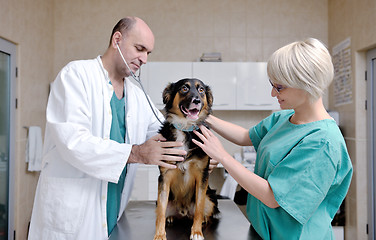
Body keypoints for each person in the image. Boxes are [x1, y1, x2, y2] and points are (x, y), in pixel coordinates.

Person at [28, 17, 188, 240]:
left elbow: (163, 134)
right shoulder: (76, 76)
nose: (144, 59)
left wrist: (193, 155)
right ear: (117, 39)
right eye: (139, 49)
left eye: (148, 53)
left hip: (112, 212)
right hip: (73, 215)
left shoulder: (137, 96)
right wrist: (136, 153)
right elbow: (74, 142)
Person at [193, 38, 353, 239]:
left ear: (305, 84)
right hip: (262, 230)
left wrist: (223, 156)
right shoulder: (284, 117)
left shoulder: (323, 142)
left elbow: (272, 197)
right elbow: (245, 136)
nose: (272, 93)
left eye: (279, 87)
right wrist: (202, 115)